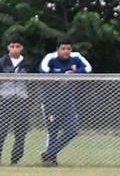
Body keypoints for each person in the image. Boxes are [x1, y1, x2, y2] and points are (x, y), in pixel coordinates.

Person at [38, 37, 91, 166]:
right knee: (53, 131)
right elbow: (43, 70)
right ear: (57, 49)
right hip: (51, 100)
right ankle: (51, 160)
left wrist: (74, 73)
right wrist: (62, 73)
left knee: (73, 129)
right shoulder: (50, 58)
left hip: (67, 100)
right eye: (63, 48)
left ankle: (48, 153)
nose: (66, 51)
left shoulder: (76, 57)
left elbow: (88, 68)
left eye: (68, 48)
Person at [0, 36, 35, 165]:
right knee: (0, 130)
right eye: (12, 46)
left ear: (22, 48)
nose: (15, 49)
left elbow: (33, 82)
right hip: (5, 100)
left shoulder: (27, 63)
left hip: (21, 100)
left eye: (17, 46)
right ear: (8, 47)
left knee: (20, 132)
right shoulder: (1, 62)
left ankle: (15, 159)